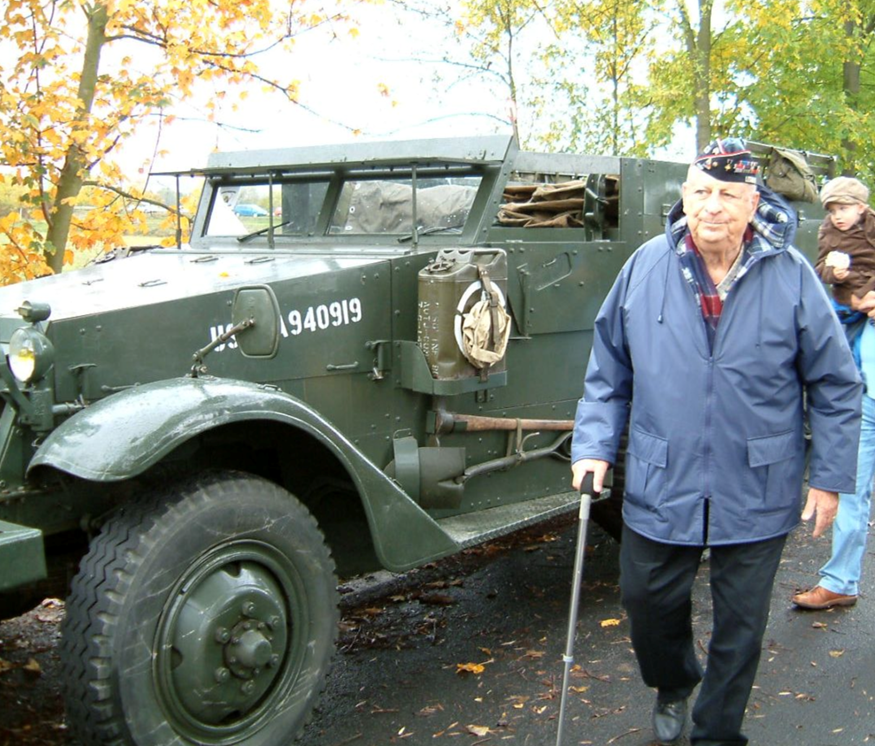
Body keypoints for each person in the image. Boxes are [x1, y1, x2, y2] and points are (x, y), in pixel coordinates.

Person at [571, 138, 862, 746]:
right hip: (661, 474)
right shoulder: (646, 266)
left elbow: (835, 383)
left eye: (729, 194)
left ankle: (717, 732)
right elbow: (608, 369)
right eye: (702, 191)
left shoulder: (791, 276)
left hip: (756, 480)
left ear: (753, 202)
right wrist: (593, 444)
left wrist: (829, 477)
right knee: (647, 602)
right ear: (684, 195)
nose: (713, 206)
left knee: (741, 626)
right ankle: (673, 681)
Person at [793, 177, 875, 610]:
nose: (838, 215)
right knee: (851, 490)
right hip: (865, 396)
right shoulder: (830, 236)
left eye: (845, 207)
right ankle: (841, 580)